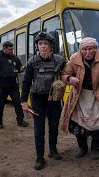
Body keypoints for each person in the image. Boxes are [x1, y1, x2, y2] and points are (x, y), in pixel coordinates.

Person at [60, 37, 99, 161]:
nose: (88, 52)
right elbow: (64, 74)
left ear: (95, 49)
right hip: (80, 95)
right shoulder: (74, 58)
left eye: (91, 49)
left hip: (98, 94)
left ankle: (96, 148)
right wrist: (70, 79)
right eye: (84, 49)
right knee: (78, 122)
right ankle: (83, 147)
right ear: (80, 50)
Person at [21, 32, 65, 170]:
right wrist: (23, 101)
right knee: (39, 130)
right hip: (37, 100)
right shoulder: (32, 62)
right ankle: (40, 157)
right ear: (37, 46)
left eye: (46, 43)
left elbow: (67, 74)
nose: (43, 46)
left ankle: (53, 150)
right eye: (40, 44)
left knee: (53, 127)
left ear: (51, 46)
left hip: (54, 100)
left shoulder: (59, 60)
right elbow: (26, 82)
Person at [0, 41, 28, 129]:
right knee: (0, 106)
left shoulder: (14, 58)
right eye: (10, 49)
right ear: (4, 48)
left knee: (17, 104)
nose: (12, 51)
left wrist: (22, 68)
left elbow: (19, 67)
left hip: (13, 86)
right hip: (1, 87)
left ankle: (20, 121)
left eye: (12, 49)